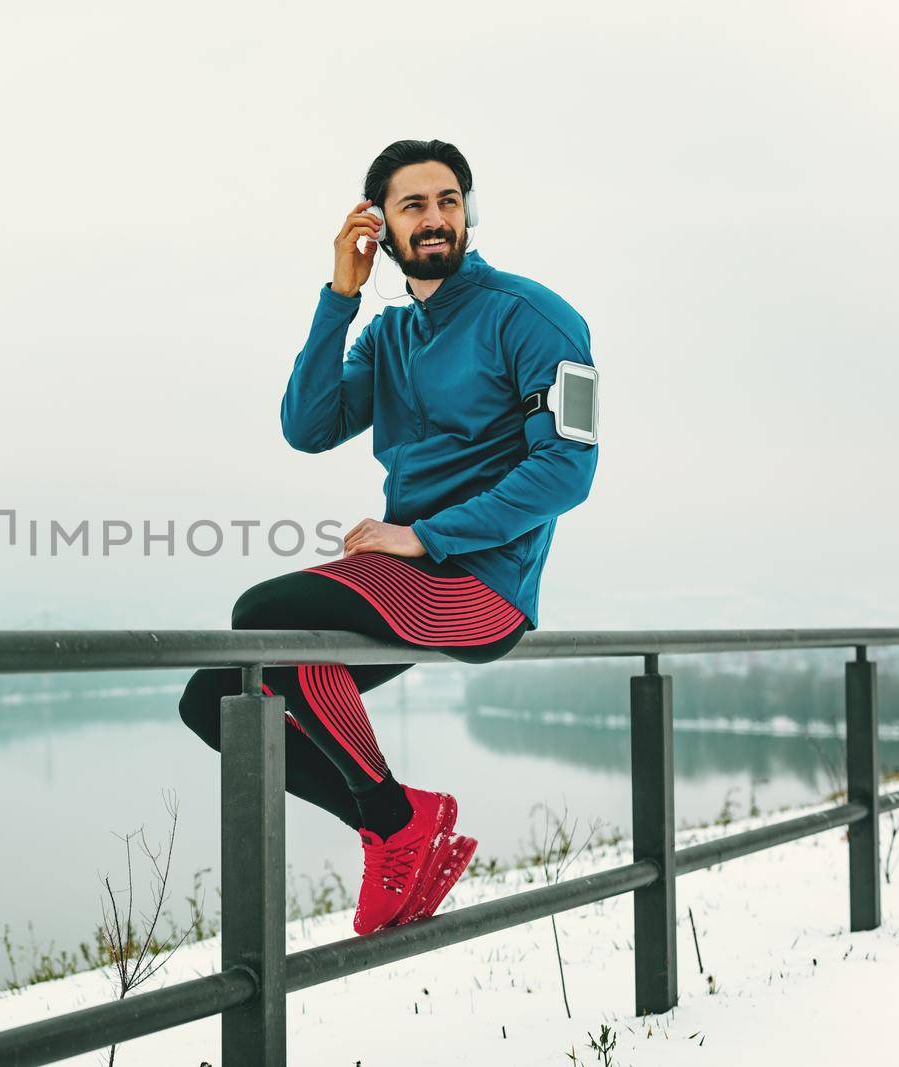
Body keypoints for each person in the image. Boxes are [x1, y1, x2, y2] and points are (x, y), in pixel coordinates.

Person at [178, 138, 600, 936]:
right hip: (406, 593)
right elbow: (307, 427)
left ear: (469, 212)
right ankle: (399, 816)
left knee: (262, 610)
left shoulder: (536, 318)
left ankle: (393, 821)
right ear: (380, 224)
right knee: (215, 699)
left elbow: (567, 471)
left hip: (482, 588)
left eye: (449, 201)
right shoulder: (388, 337)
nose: (436, 218)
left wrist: (424, 536)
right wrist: (341, 295)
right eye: (414, 204)